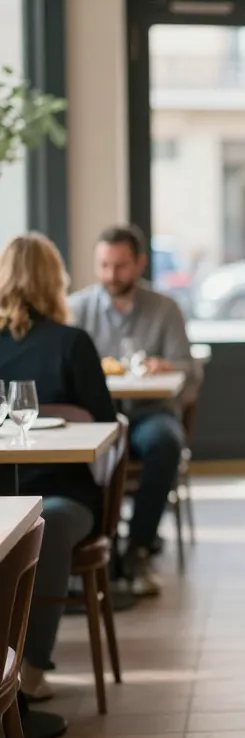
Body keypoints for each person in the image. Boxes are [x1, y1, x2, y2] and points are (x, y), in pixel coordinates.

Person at [0, 233, 118, 700]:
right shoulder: (74, 342)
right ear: (56, 282)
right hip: (63, 493)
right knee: (45, 520)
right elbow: (108, 426)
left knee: (41, 524)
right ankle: (21, 671)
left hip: (36, 498)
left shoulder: (73, 343)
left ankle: (28, 668)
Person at [68, 224, 199, 596]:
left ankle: (138, 546)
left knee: (165, 442)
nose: (112, 275)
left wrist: (167, 366)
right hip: (95, 413)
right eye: (104, 265)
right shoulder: (77, 309)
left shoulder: (164, 309)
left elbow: (191, 369)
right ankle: (90, 546)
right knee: (78, 449)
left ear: (139, 263)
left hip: (148, 412)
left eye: (120, 266)